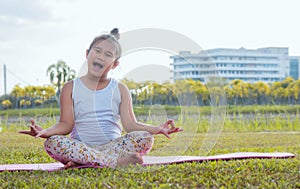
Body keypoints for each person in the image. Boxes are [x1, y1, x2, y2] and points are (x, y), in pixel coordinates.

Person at [19, 28, 183, 168]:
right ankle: (112, 162)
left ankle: (86, 161)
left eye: (108, 55)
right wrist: (46, 131)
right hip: (80, 146)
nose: (101, 57)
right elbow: (65, 124)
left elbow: (131, 124)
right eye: (97, 51)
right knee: (53, 143)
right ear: (87, 54)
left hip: (112, 147)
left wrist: (158, 129)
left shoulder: (120, 89)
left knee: (145, 138)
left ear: (114, 64)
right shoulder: (70, 87)